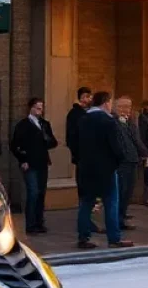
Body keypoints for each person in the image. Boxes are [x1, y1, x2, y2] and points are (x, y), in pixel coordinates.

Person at [76, 91, 132, 249]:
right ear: (106, 102)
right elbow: (115, 145)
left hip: (86, 168)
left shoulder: (83, 119)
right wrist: (120, 159)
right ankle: (114, 238)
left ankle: (83, 237)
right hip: (106, 168)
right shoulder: (108, 121)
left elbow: (75, 143)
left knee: (86, 203)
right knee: (111, 202)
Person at [11, 97, 58, 235]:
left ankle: (39, 222)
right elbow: (15, 145)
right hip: (29, 163)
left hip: (42, 162)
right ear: (31, 108)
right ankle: (30, 225)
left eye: (41, 108)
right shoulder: (23, 125)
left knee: (41, 193)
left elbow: (53, 142)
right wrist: (23, 160)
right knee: (33, 192)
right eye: (37, 107)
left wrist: (46, 138)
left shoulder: (44, 124)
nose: (40, 110)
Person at [114, 95, 147, 230]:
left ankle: (122, 216)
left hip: (133, 160)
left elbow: (136, 139)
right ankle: (117, 220)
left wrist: (143, 152)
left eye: (128, 107)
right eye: (122, 106)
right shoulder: (114, 122)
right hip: (122, 162)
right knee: (121, 191)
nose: (125, 110)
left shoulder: (131, 122)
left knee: (128, 191)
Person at [66, 86, 93, 170]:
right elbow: (71, 133)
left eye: (88, 96)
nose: (87, 99)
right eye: (84, 96)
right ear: (80, 98)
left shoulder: (93, 112)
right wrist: (75, 152)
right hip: (80, 151)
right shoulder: (74, 113)